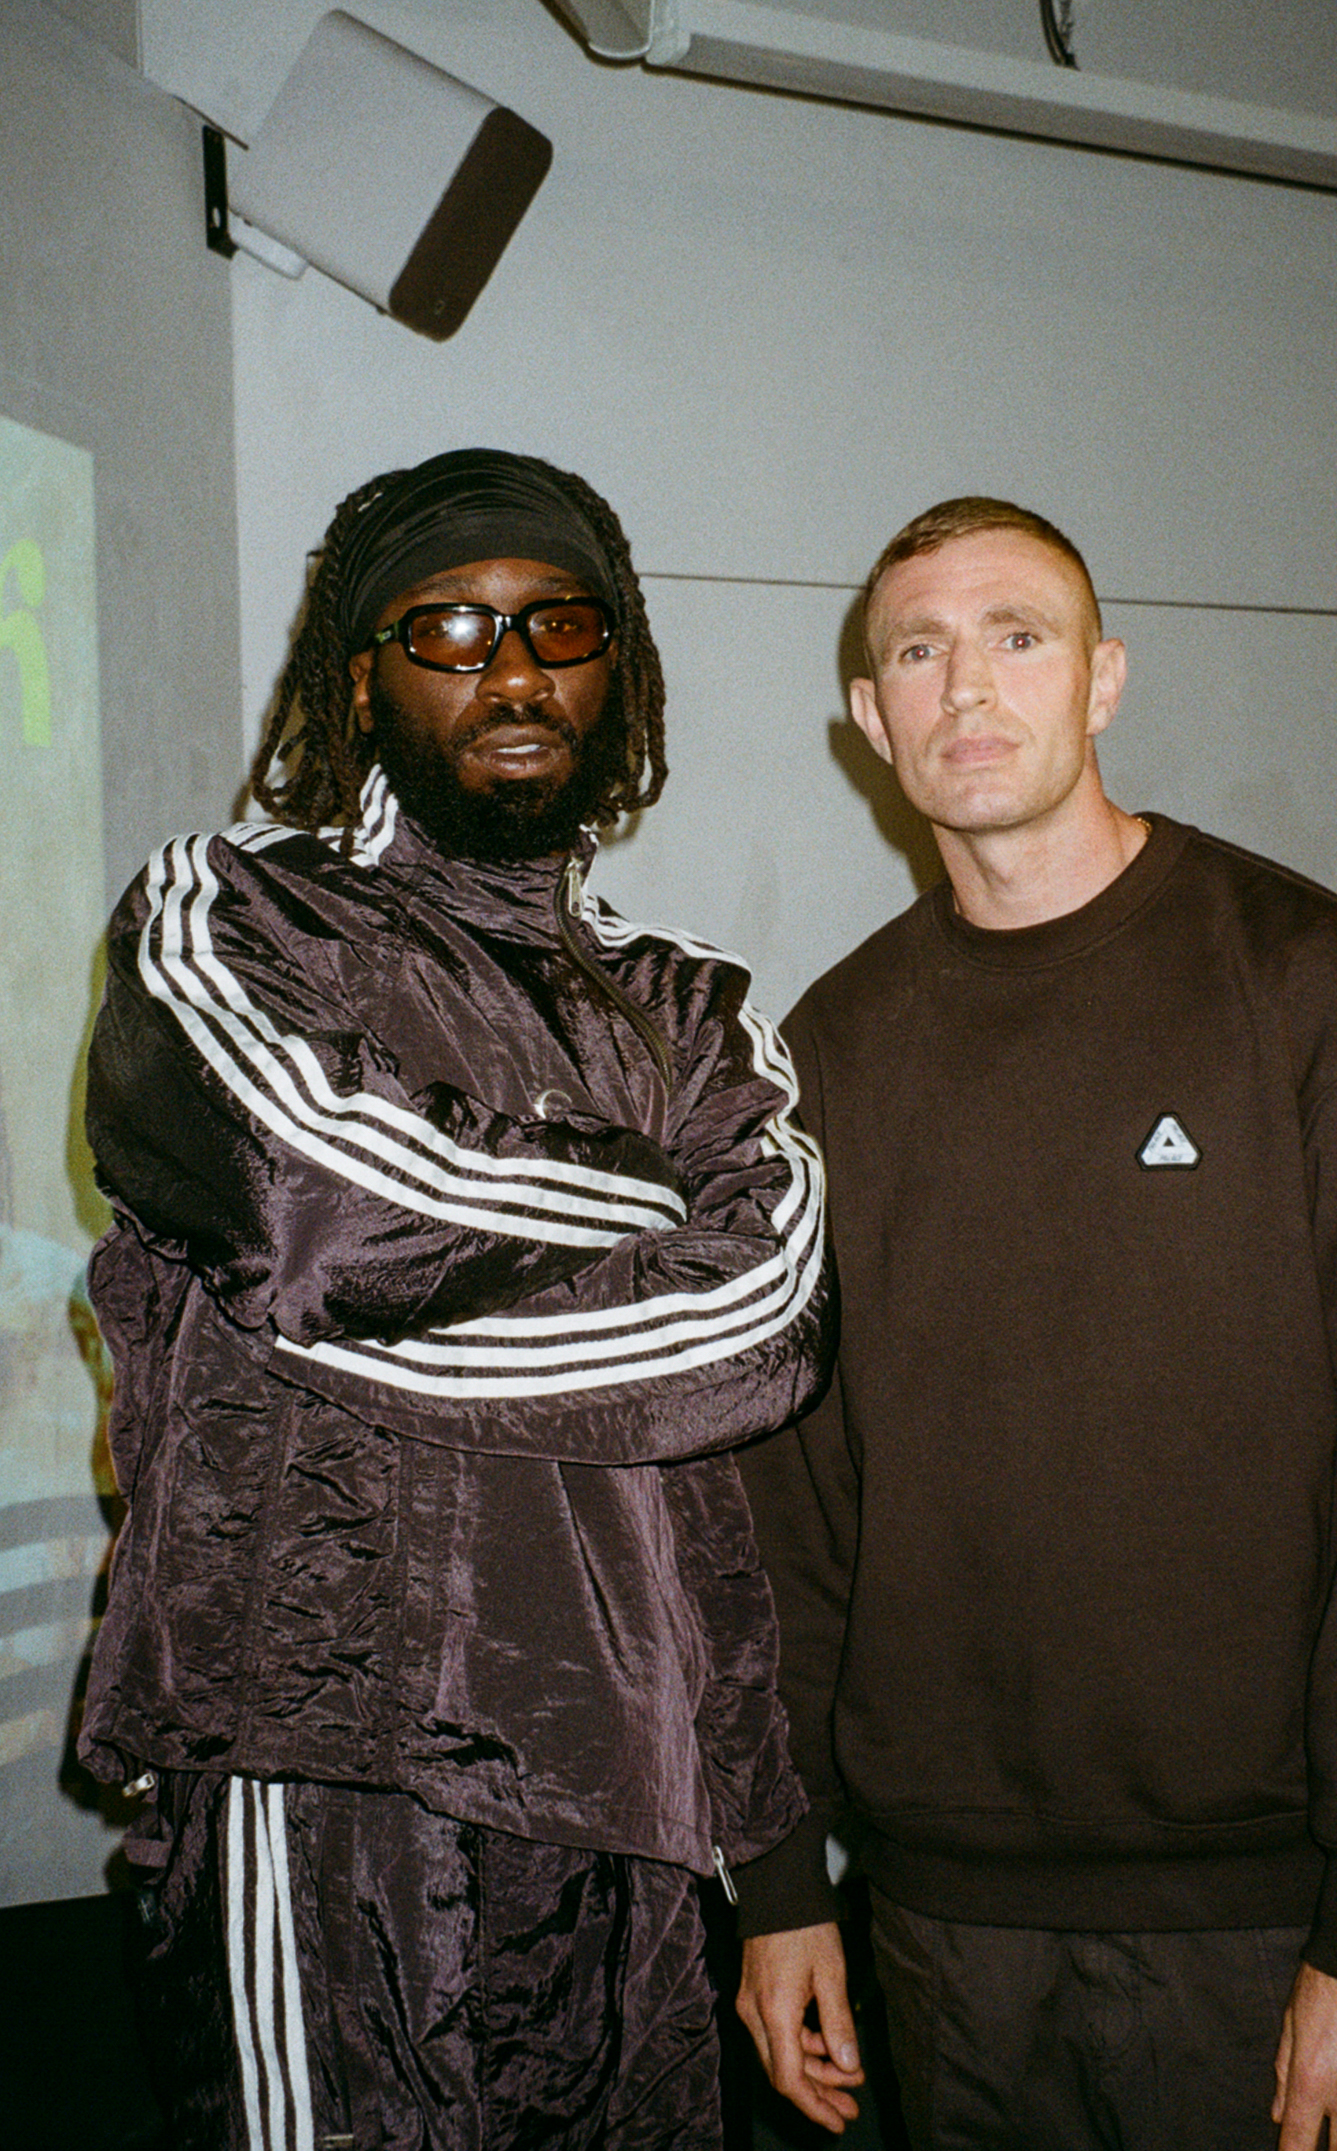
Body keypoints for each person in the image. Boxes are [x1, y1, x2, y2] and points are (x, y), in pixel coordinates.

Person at [732, 497, 1337, 2151]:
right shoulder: (830, 1053)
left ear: (1102, 680)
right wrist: (780, 1877)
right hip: (946, 1936)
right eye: (918, 651)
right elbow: (790, 1513)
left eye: (1019, 635)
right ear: (869, 720)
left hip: (1277, 1922)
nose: (968, 686)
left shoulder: (1314, 990)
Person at [78, 448, 833, 2151]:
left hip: (624, 1786)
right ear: (360, 676)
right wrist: (652, 1195)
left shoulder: (694, 1008)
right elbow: (317, 1207)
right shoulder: (230, 914)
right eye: (449, 628)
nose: (511, 669)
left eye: (558, 625)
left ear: (616, 667)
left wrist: (335, 1331)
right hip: (322, 1750)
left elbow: (772, 1311)